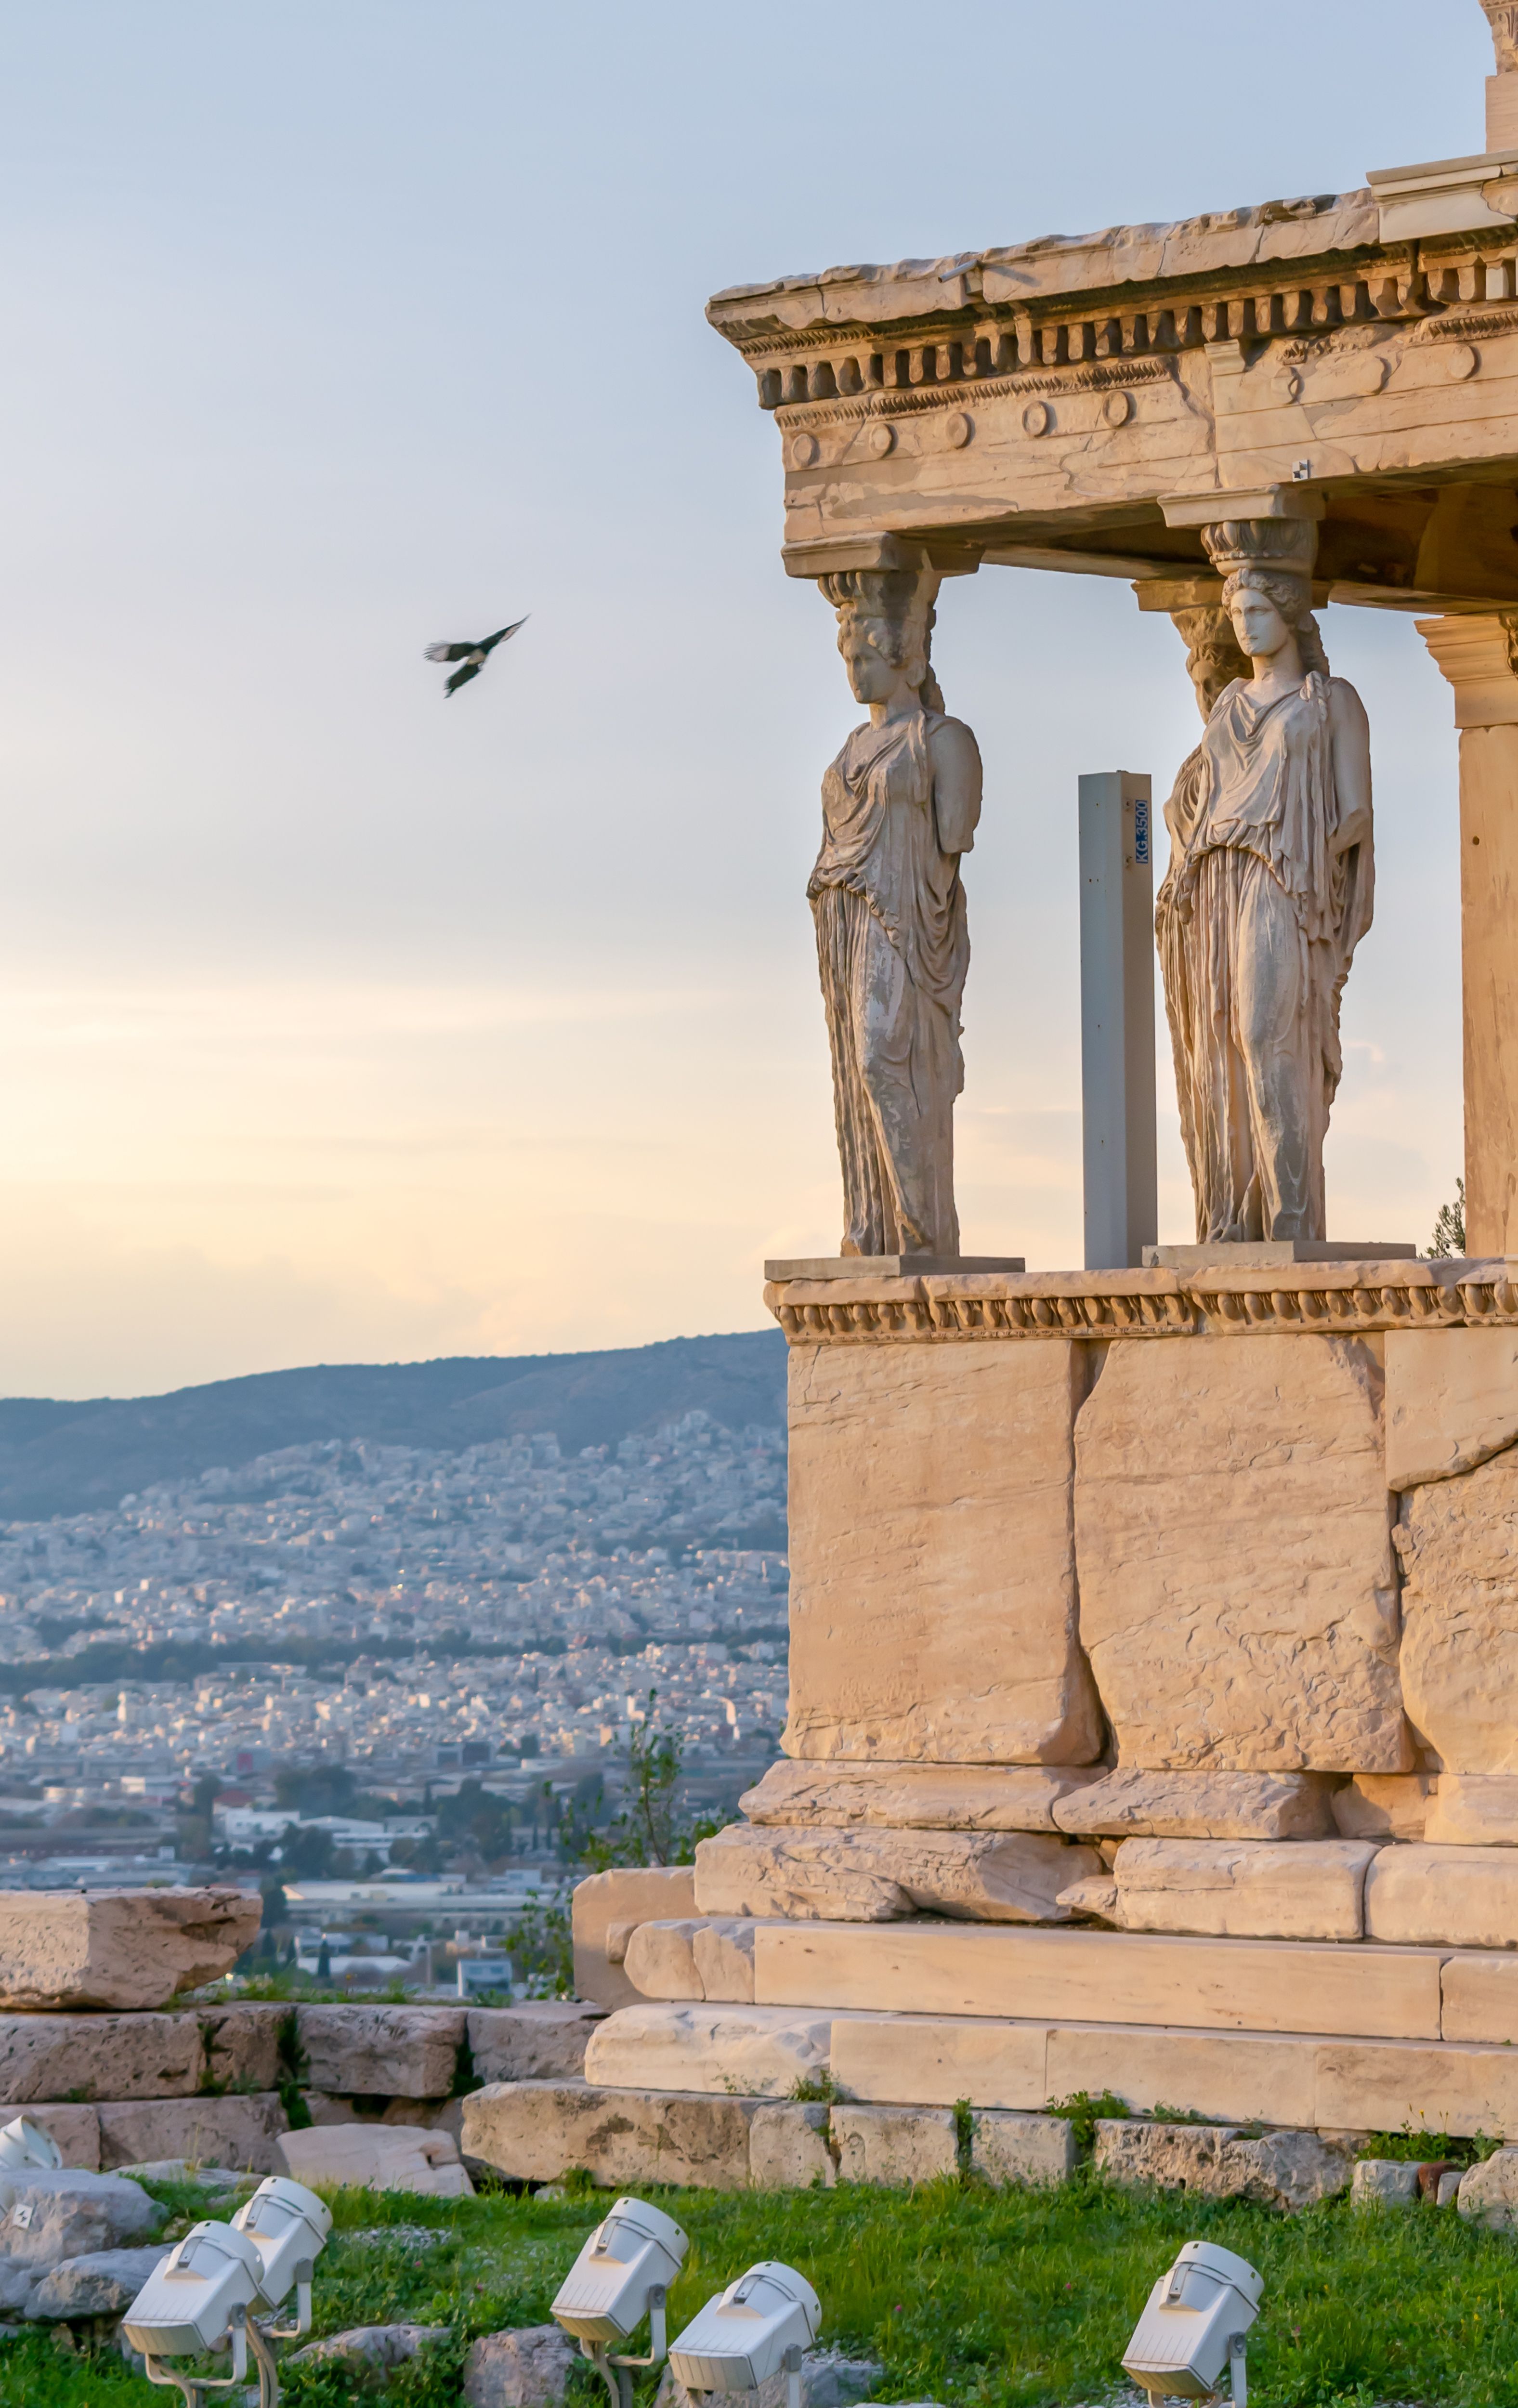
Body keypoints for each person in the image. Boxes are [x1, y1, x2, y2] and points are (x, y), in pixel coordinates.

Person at [1155, 538, 1373, 1243]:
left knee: (1265, 1033)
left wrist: (1309, 860)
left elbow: (1354, 812)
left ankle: (1294, 1219)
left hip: (1285, 879)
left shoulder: (1329, 701)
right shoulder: (1227, 707)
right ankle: (1234, 1220)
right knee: (1220, 1043)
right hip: (1219, 880)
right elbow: (1194, 796)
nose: (1245, 623)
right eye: (1237, 609)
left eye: (1257, 608)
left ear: (1289, 613)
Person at [809, 569, 983, 1256]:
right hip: (846, 920)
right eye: (848, 660)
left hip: (907, 922)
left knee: (889, 1058)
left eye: (864, 659)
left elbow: (954, 837)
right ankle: (874, 1226)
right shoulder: (851, 747)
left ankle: (924, 1226)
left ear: (902, 657)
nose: (854, 674)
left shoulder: (943, 741)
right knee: (856, 1067)